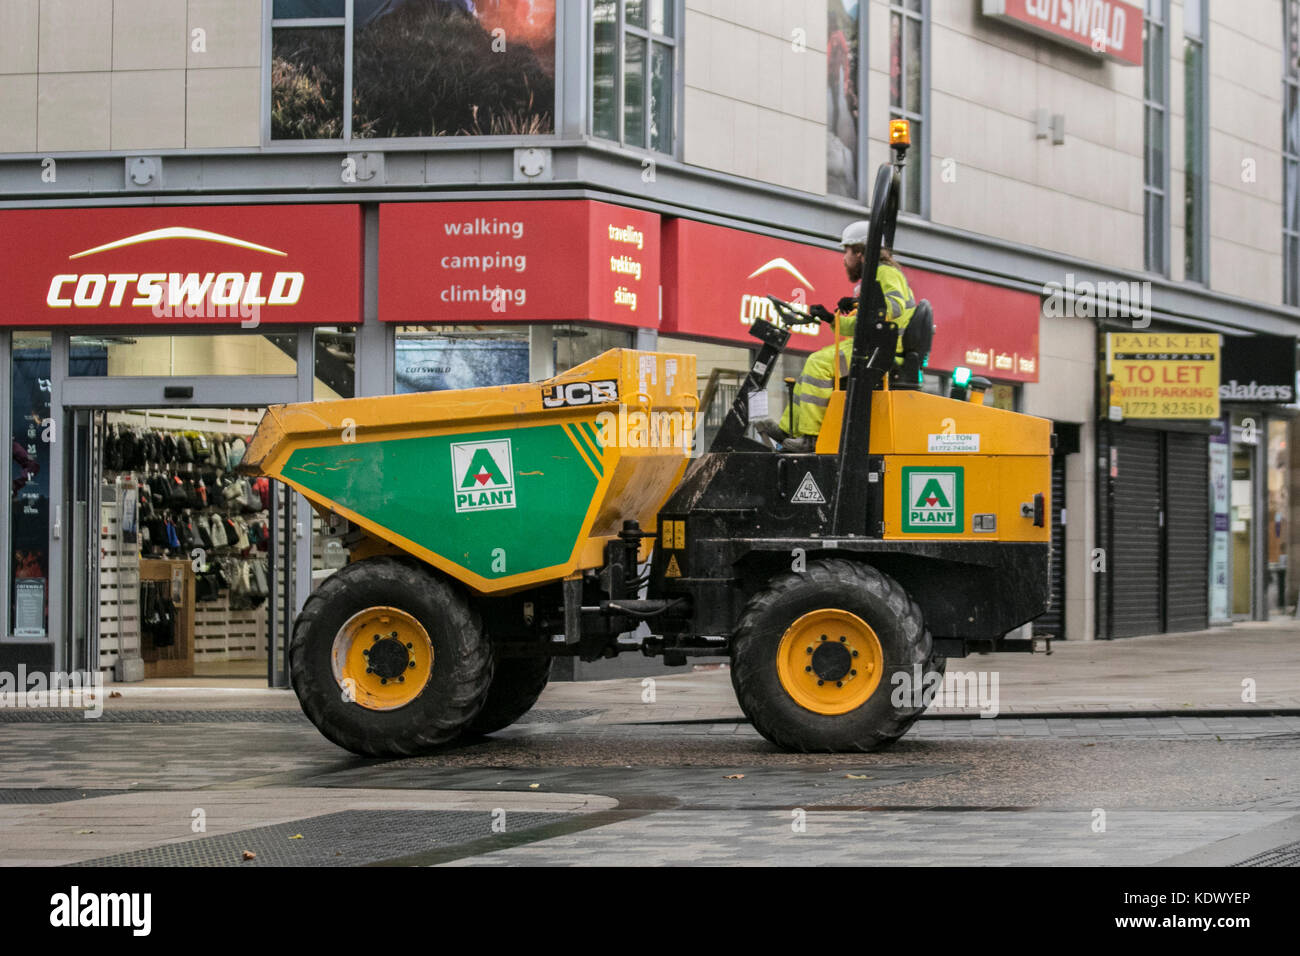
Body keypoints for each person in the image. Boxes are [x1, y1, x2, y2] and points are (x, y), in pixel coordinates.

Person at [756, 220, 916, 451]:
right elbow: (860, 325)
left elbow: (895, 306)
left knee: (819, 364)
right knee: (815, 361)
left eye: (846, 251)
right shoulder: (873, 277)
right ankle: (789, 428)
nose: (844, 258)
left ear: (860, 252)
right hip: (875, 344)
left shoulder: (884, 272)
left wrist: (860, 301)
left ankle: (811, 439)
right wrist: (831, 319)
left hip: (883, 348)